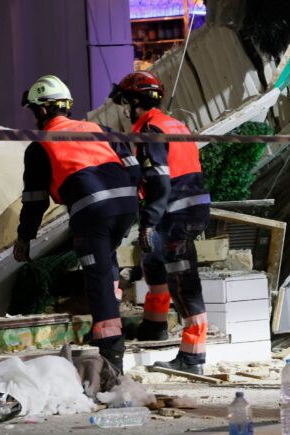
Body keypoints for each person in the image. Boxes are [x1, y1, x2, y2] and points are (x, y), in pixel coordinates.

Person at [13, 75, 140, 373]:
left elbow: (34, 200)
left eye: (34, 112)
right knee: (106, 263)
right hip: (126, 205)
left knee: (95, 277)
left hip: (92, 211)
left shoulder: (40, 146)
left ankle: (110, 353)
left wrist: (24, 237)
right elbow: (133, 169)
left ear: (42, 111)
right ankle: (105, 324)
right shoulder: (100, 130)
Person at [110, 71, 210, 375]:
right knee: (153, 260)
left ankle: (193, 358)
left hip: (176, 214)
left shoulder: (151, 130)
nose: (124, 109)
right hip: (184, 210)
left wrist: (149, 221)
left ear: (136, 101)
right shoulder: (172, 124)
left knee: (183, 282)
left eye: (126, 102)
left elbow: (159, 182)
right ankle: (154, 326)